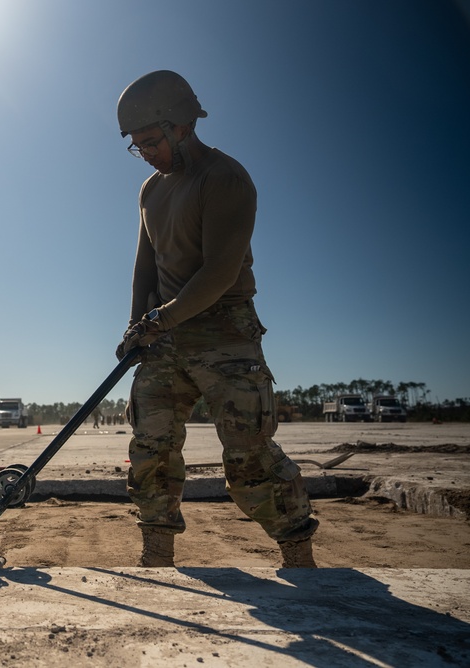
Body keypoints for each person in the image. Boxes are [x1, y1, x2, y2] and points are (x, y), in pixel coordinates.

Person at [114, 70, 318, 568]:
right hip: (162, 335)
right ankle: (157, 554)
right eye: (137, 147)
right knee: (151, 447)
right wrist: (135, 325)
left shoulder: (225, 179)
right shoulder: (150, 191)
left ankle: (299, 556)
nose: (147, 154)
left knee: (249, 454)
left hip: (223, 327)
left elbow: (219, 272)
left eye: (152, 142)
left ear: (182, 126)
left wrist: (160, 318)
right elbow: (146, 265)